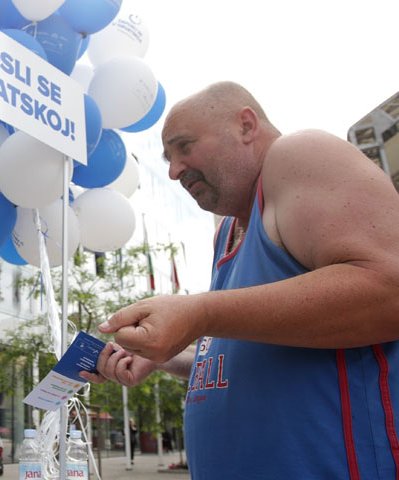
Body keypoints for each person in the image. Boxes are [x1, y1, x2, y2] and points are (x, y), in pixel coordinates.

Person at [81, 82, 399, 478]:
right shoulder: (226, 234)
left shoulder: (301, 153)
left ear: (246, 126)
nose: (174, 171)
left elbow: (390, 291)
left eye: (184, 147)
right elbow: (248, 357)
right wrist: (163, 358)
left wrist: (200, 313)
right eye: (168, 158)